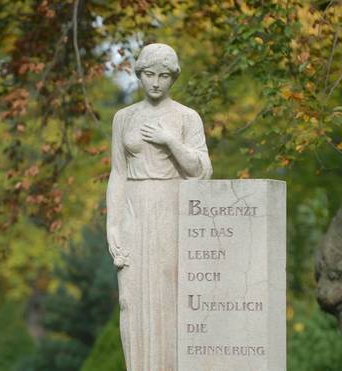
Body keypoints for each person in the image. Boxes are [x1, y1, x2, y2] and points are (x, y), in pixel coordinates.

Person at [106, 43, 212, 371]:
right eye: (149, 74)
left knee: (169, 293)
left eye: (163, 76)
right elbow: (117, 172)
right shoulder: (124, 117)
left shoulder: (185, 117)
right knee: (130, 299)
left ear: (173, 78)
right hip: (134, 207)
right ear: (139, 74)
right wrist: (112, 226)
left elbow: (203, 171)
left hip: (171, 206)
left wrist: (171, 142)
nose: (155, 82)